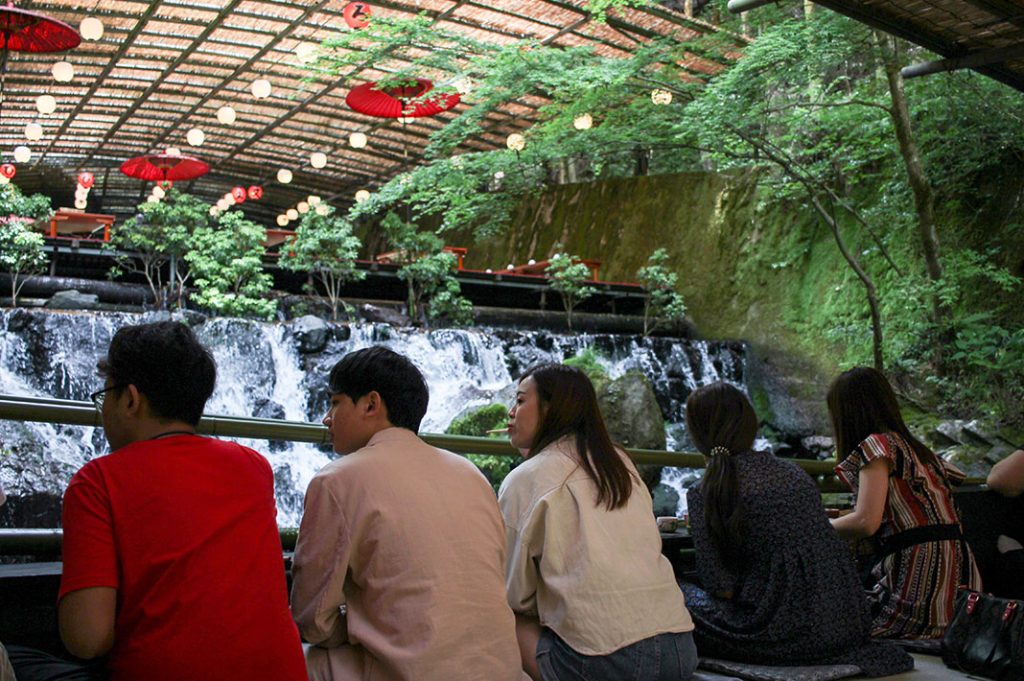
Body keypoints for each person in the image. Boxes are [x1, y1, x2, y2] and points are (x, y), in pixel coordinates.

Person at [12, 321, 306, 681]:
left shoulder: (98, 481)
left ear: (131, 399)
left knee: (17, 660)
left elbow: (87, 639)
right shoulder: (253, 466)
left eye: (106, 395)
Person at [290, 346, 521, 681]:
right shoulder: (470, 473)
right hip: (501, 669)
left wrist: (355, 624)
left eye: (335, 402)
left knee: (289, 658)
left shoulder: (337, 480)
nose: (327, 418)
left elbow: (312, 619)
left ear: (371, 403)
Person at [679, 382, 911, 674]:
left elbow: (720, 588)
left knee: (677, 597)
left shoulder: (705, 492)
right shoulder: (794, 472)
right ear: (749, 423)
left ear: (698, 433)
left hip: (787, 635)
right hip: (846, 624)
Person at [499, 363, 696, 681]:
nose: (511, 412)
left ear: (550, 408)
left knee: (503, 615)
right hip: (681, 647)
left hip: (605, 663)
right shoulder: (618, 462)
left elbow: (513, 594)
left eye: (520, 401)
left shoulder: (527, 478)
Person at [828, 366, 982, 639]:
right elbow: (958, 479)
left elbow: (865, 521)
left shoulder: (877, 447)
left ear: (847, 413)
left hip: (922, 578)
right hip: (962, 580)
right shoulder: (921, 451)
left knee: (836, 619)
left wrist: (820, 524)